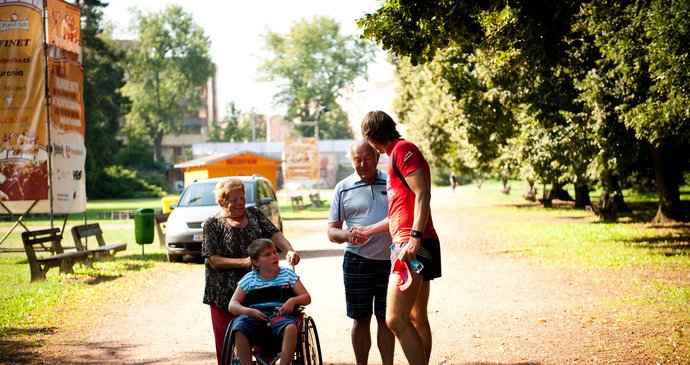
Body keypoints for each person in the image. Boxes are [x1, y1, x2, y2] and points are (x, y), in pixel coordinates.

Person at [358, 110, 442, 365]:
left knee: (394, 318)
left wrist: (414, 238)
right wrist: (369, 230)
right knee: (416, 317)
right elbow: (400, 211)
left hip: (412, 245)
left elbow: (423, 193)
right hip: (411, 242)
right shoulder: (395, 154)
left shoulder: (404, 150)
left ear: (371, 137)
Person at [202, 177, 301, 365]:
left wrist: (289, 250)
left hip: (259, 288)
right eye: (234, 199)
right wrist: (246, 263)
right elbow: (213, 260)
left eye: (242, 198)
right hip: (224, 291)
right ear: (221, 202)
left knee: (263, 333)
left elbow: (274, 234)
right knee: (227, 340)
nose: (241, 203)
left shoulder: (254, 214)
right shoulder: (212, 224)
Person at [327, 141, 395, 365]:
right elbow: (332, 231)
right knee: (360, 318)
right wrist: (346, 235)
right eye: (357, 159)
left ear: (377, 158)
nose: (362, 164)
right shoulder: (343, 187)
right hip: (357, 261)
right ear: (351, 160)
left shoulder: (392, 182)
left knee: (387, 319)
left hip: (391, 261)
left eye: (367, 158)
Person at [228, 238, 311, 365]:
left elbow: (306, 297)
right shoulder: (249, 279)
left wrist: (292, 301)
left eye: (275, 252)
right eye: (267, 254)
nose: (274, 256)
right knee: (239, 330)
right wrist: (249, 311)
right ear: (255, 262)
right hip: (254, 316)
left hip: (280, 314)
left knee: (291, 328)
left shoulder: (287, 275)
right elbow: (232, 305)